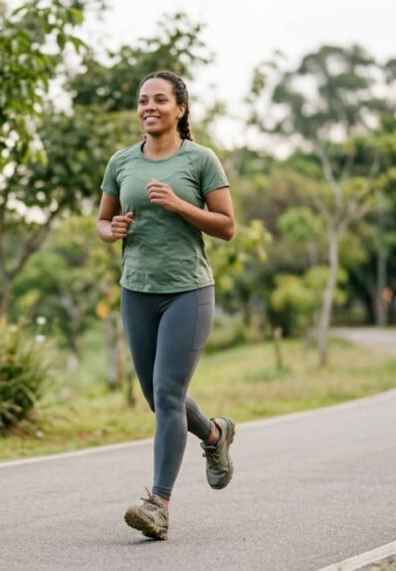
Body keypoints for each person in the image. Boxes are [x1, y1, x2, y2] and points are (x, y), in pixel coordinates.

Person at [96, 70, 238, 541]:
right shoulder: (122, 162)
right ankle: (215, 436)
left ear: (180, 109)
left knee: (169, 393)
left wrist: (180, 206)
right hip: (136, 291)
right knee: (157, 398)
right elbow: (102, 220)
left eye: (159, 100)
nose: (149, 107)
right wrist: (111, 229)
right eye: (142, 100)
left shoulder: (201, 160)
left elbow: (226, 226)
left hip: (187, 292)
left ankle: (158, 503)